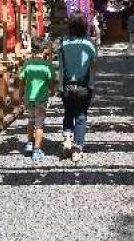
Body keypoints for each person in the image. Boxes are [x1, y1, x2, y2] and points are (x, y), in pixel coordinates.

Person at [59, 13, 97, 163]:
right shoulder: (90, 44)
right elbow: (93, 67)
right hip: (83, 86)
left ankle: (67, 138)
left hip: (67, 85)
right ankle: (77, 150)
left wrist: (60, 85)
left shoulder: (63, 42)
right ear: (85, 26)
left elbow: (61, 67)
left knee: (68, 112)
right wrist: (92, 85)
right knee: (81, 117)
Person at [19, 45, 56, 162]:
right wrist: (52, 91)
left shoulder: (28, 64)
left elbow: (21, 79)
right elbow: (51, 81)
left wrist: (21, 94)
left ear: (33, 50)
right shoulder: (47, 65)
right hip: (41, 98)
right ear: (45, 50)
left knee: (30, 120)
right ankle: (36, 149)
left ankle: (30, 142)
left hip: (29, 97)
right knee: (39, 124)